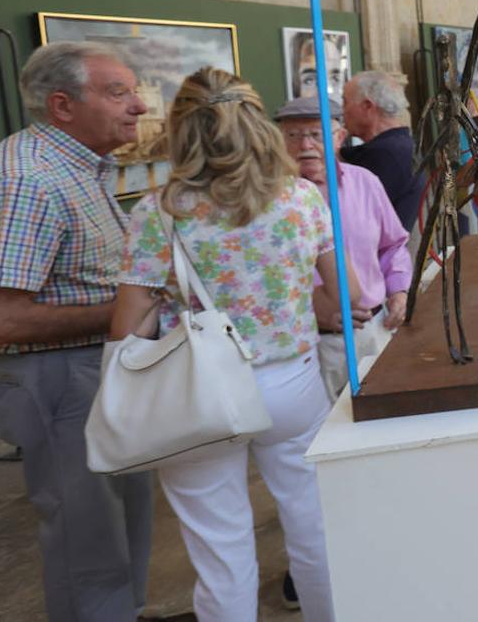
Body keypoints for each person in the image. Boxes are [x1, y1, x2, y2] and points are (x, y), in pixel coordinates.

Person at [113, 68, 361, 622]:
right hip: (291, 384)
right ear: (259, 126)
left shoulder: (159, 211)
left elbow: (128, 326)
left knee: (219, 549)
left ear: (182, 131)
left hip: (198, 389)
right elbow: (349, 295)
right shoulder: (301, 199)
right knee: (315, 525)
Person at [0, 42, 154, 622]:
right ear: (62, 105)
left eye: (134, 90)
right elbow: (0, 320)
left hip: (91, 371)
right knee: (87, 537)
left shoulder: (78, 166)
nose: (138, 106)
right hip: (56, 380)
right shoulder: (30, 181)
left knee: (119, 519)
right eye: (118, 92)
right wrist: (133, 306)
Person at [275, 95, 411, 402]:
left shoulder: (365, 183)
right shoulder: (270, 201)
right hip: (308, 345)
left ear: (339, 136)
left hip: (373, 332)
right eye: (293, 136)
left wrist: (399, 290)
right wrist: (313, 310)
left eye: (315, 133)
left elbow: (393, 244)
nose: (305, 145)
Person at [341, 71, 425, 232]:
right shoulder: (401, 145)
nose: (342, 111)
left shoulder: (387, 154)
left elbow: (354, 214)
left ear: (367, 106)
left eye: (345, 102)